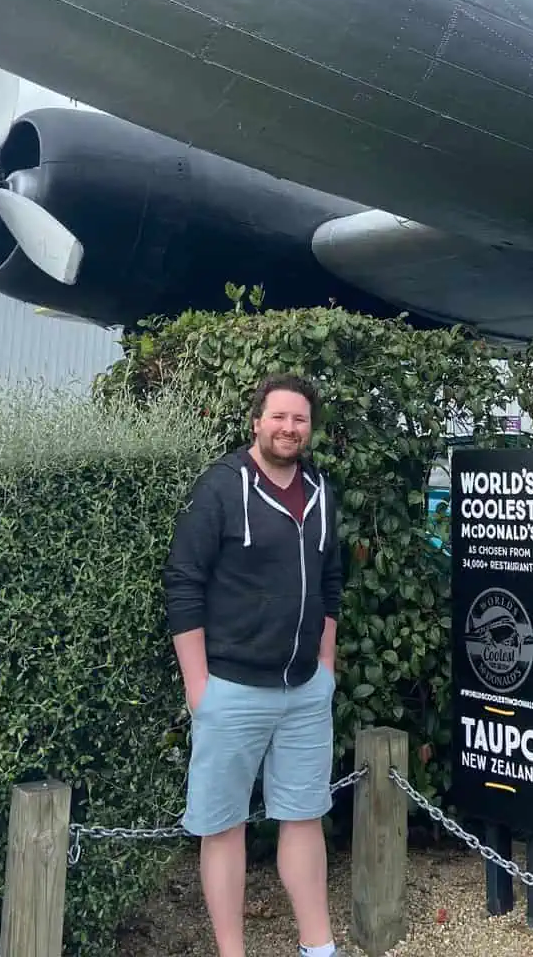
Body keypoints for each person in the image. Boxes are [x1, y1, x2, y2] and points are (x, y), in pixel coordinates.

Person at [163, 373, 346, 957]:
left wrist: (326, 666)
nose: (289, 429)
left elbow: (332, 582)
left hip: (303, 692)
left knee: (303, 818)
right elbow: (183, 582)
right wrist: (199, 688)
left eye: (299, 420)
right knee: (223, 828)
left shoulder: (320, 491)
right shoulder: (221, 487)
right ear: (256, 421)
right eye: (279, 417)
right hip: (232, 689)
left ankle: (319, 947)